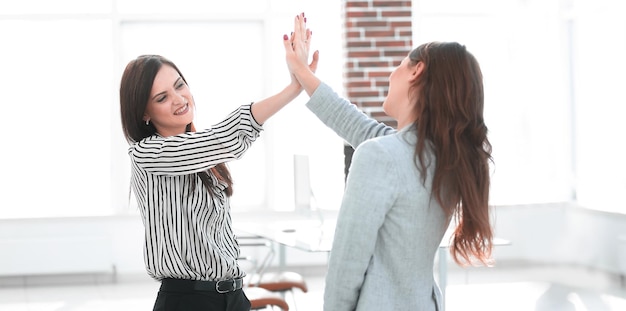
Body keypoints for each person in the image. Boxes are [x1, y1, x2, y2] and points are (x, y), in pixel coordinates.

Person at [284, 14, 494, 311]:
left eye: (399, 65)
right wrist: (302, 72)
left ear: (416, 71)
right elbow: (354, 123)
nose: (391, 75)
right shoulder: (446, 158)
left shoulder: (383, 155)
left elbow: (346, 265)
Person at [119, 16, 317, 310]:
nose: (179, 99)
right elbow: (227, 137)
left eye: (179, 85)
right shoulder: (147, 154)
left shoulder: (203, 157)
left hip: (232, 296)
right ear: (144, 113)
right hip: (189, 301)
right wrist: (294, 87)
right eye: (162, 97)